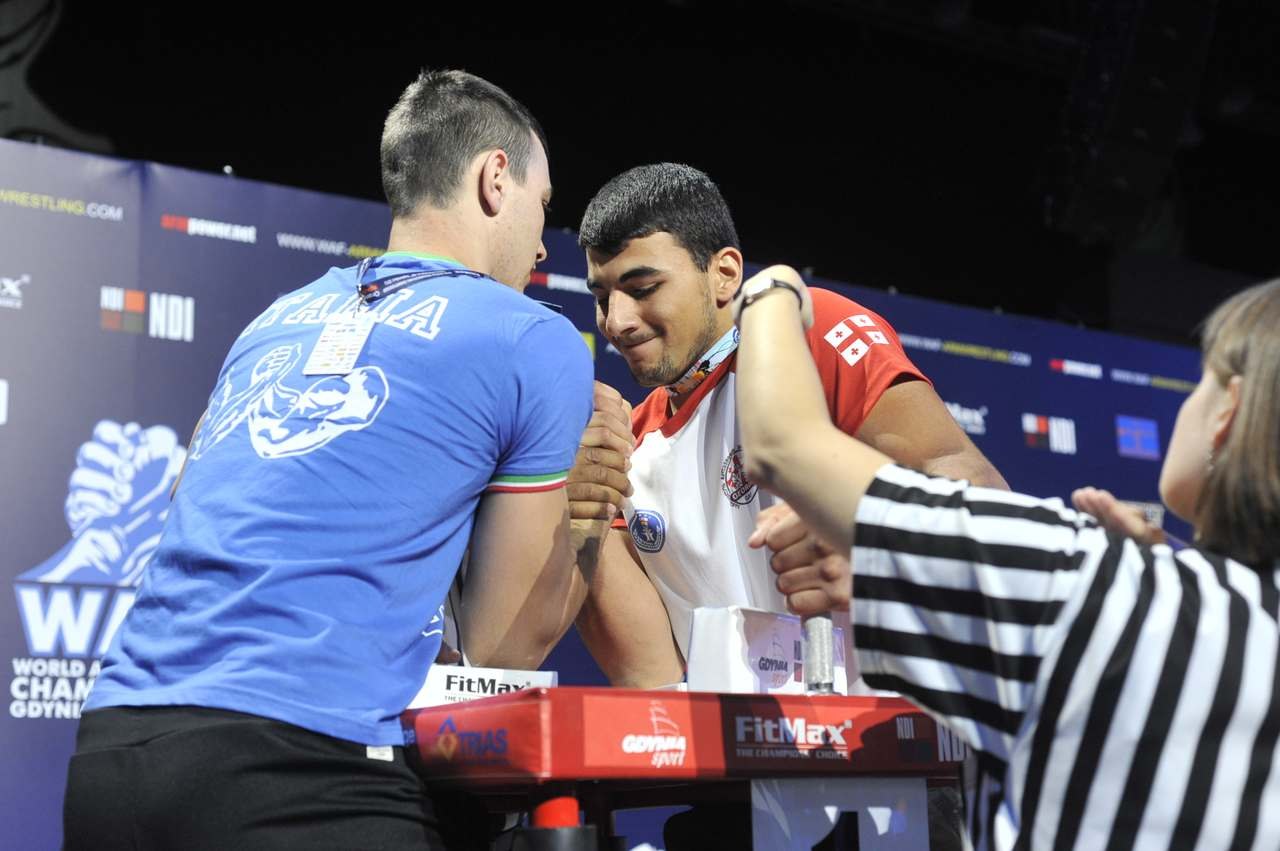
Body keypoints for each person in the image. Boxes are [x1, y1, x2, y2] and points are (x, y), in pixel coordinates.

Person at [62, 69, 594, 851]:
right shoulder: (531, 335)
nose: (545, 243)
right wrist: (591, 510)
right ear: (494, 179)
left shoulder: (276, 321)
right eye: (543, 204)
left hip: (114, 754)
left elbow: (190, 496)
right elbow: (502, 647)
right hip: (297, 771)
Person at [736, 266, 1280, 850]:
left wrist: (774, 291)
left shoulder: (1084, 576)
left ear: (1227, 414)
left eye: (1201, 382)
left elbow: (783, 445)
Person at [567, 162, 1007, 689]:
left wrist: (877, 542)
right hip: (731, 739)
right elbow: (653, 680)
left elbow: (977, 490)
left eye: (642, 288)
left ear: (725, 273)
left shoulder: (807, 329)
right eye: (602, 298)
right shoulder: (627, 445)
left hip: (888, 726)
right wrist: (579, 511)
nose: (616, 321)